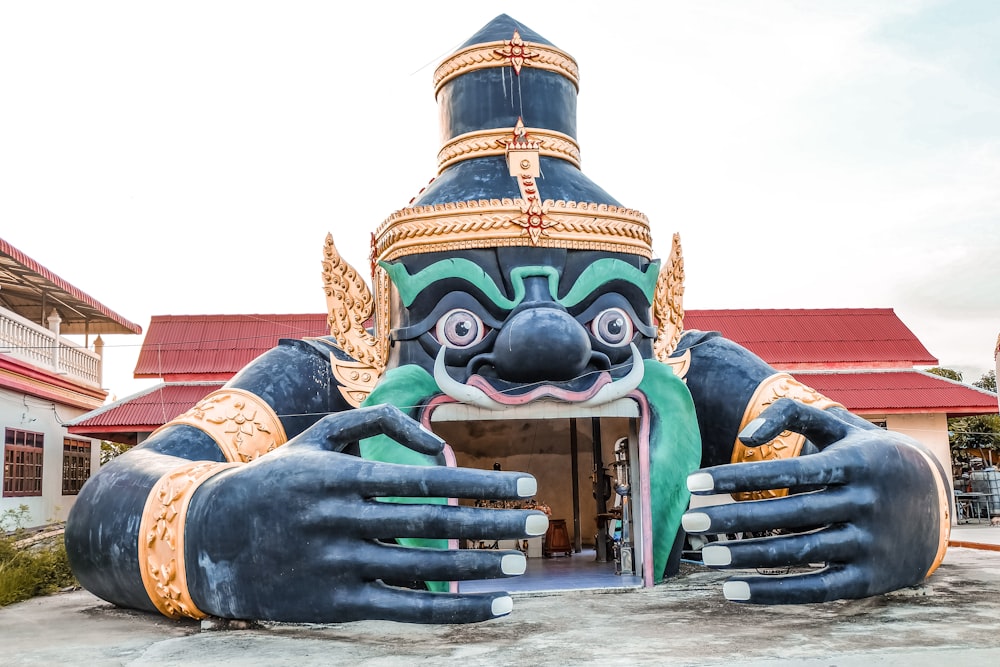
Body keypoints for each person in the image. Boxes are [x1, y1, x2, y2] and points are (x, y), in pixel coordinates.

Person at [65, 14, 952, 624]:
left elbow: (872, 452)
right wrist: (220, 532)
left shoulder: (693, 372)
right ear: (381, 325)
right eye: (459, 318)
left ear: (652, 317)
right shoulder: (322, 378)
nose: (545, 341)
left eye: (607, 316)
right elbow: (114, 496)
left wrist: (913, 502)